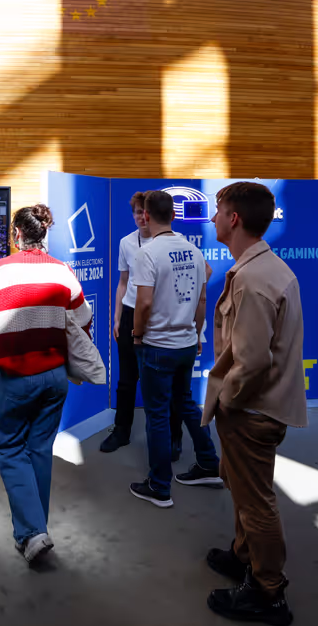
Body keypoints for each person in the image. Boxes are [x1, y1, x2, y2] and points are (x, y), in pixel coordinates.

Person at [201, 182, 306, 626]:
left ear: (235, 219)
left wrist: (227, 401)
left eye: (218, 210)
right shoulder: (266, 268)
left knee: (257, 501)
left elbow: (252, 361)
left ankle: (267, 592)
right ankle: (244, 556)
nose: (212, 218)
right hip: (261, 407)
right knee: (246, 491)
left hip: (252, 411)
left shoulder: (252, 280)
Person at [0, 204, 82, 563]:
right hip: (56, 376)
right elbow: (82, 322)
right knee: (40, 450)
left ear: (16, 234)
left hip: (16, 377)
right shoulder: (63, 272)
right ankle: (35, 530)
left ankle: (31, 532)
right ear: (44, 233)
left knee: (10, 448)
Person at [129, 190, 221, 508]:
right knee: (185, 404)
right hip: (185, 343)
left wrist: (137, 335)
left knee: (157, 416)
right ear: (174, 215)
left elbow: (143, 302)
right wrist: (196, 334)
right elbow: (202, 300)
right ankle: (209, 464)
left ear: (149, 215)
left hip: (156, 345)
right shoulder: (194, 252)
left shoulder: (149, 253)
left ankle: (160, 486)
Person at [102, 192, 189, 459]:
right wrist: (117, 318)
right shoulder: (126, 243)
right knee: (127, 379)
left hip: (160, 314)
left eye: (144, 212)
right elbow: (123, 282)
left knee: (169, 383)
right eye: (136, 213)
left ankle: (175, 437)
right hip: (130, 313)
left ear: (152, 213)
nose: (141, 217)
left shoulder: (176, 242)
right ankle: (121, 430)